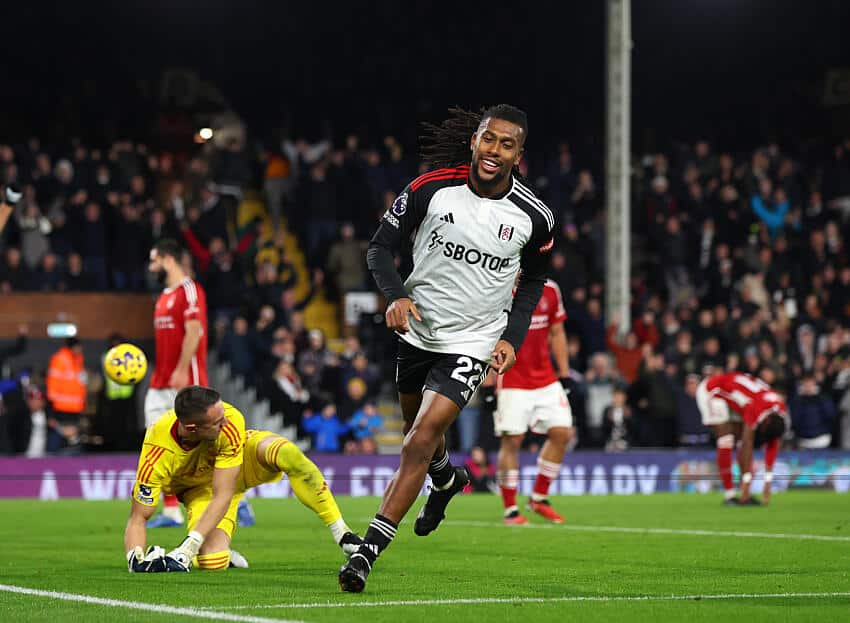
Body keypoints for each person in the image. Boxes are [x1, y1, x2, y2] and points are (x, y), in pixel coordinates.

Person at [339, 104, 554, 592]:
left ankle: (366, 554)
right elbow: (377, 249)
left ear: (519, 154)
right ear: (474, 140)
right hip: (418, 330)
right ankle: (447, 479)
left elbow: (535, 278)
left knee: (416, 440)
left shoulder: (534, 217)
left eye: (506, 144)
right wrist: (396, 295)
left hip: (475, 338)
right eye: (487, 139)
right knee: (422, 439)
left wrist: (510, 337)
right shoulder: (430, 189)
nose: (493, 151)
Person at [124, 386, 362, 572]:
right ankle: (222, 552)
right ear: (192, 427)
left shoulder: (229, 420)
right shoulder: (156, 454)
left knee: (287, 453)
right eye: (217, 422)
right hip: (201, 490)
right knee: (212, 561)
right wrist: (135, 559)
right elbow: (138, 518)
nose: (225, 422)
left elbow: (224, 493)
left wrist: (186, 549)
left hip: (243, 461)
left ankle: (343, 534)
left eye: (223, 415)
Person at [144, 239, 256, 527]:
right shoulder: (163, 296)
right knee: (158, 442)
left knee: (211, 442)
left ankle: (239, 498)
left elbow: (194, 331)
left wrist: (182, 370)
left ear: (169, 259)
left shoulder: (190, 291)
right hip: (160, 384)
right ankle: (170, 510)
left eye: (154, 260)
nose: (151, 267)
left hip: (186, 381)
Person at [492, 279, 574, 524]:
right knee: (512, 441)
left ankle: (539, 497)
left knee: (562, 432)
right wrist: (488, 383)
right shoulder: (498, 285)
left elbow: (557, 331)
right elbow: (488, 335)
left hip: (546, 379)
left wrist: (565, 372)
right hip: (512, 379)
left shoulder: (550, 289)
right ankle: (510, 509)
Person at [696, 371, 788, 505]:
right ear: (766, 421)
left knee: (739, 441)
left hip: (735, 396)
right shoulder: (754, 408)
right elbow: (747, 444)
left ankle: (746, 493)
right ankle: (730, 495)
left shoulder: (779, 409)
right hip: (712, 391)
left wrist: (768, 481)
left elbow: (773, 442)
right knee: (726, 439)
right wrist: (746, 481)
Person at [45, 337, 87, 453]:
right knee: (57, 439)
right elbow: (52, 384)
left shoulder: (78, 360)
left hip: (75, 409)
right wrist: (50, 411)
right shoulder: (60, 359)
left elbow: (80, 385)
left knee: (73, 441)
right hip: (60, 409)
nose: (80, 350)